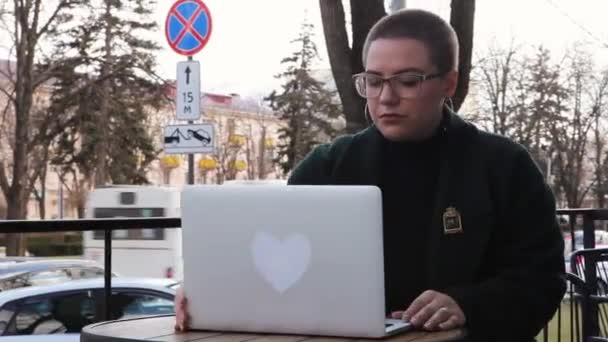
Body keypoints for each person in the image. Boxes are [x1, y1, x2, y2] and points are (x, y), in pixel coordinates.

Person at [175, 9, 565, 342]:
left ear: (449, 83)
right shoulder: (327, 167)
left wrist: (467, 304)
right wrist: (206, 297)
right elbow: (272, 276)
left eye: (408, 80)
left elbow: (541, 281)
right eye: (374, 81)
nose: (386, 97)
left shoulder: (505, 167)